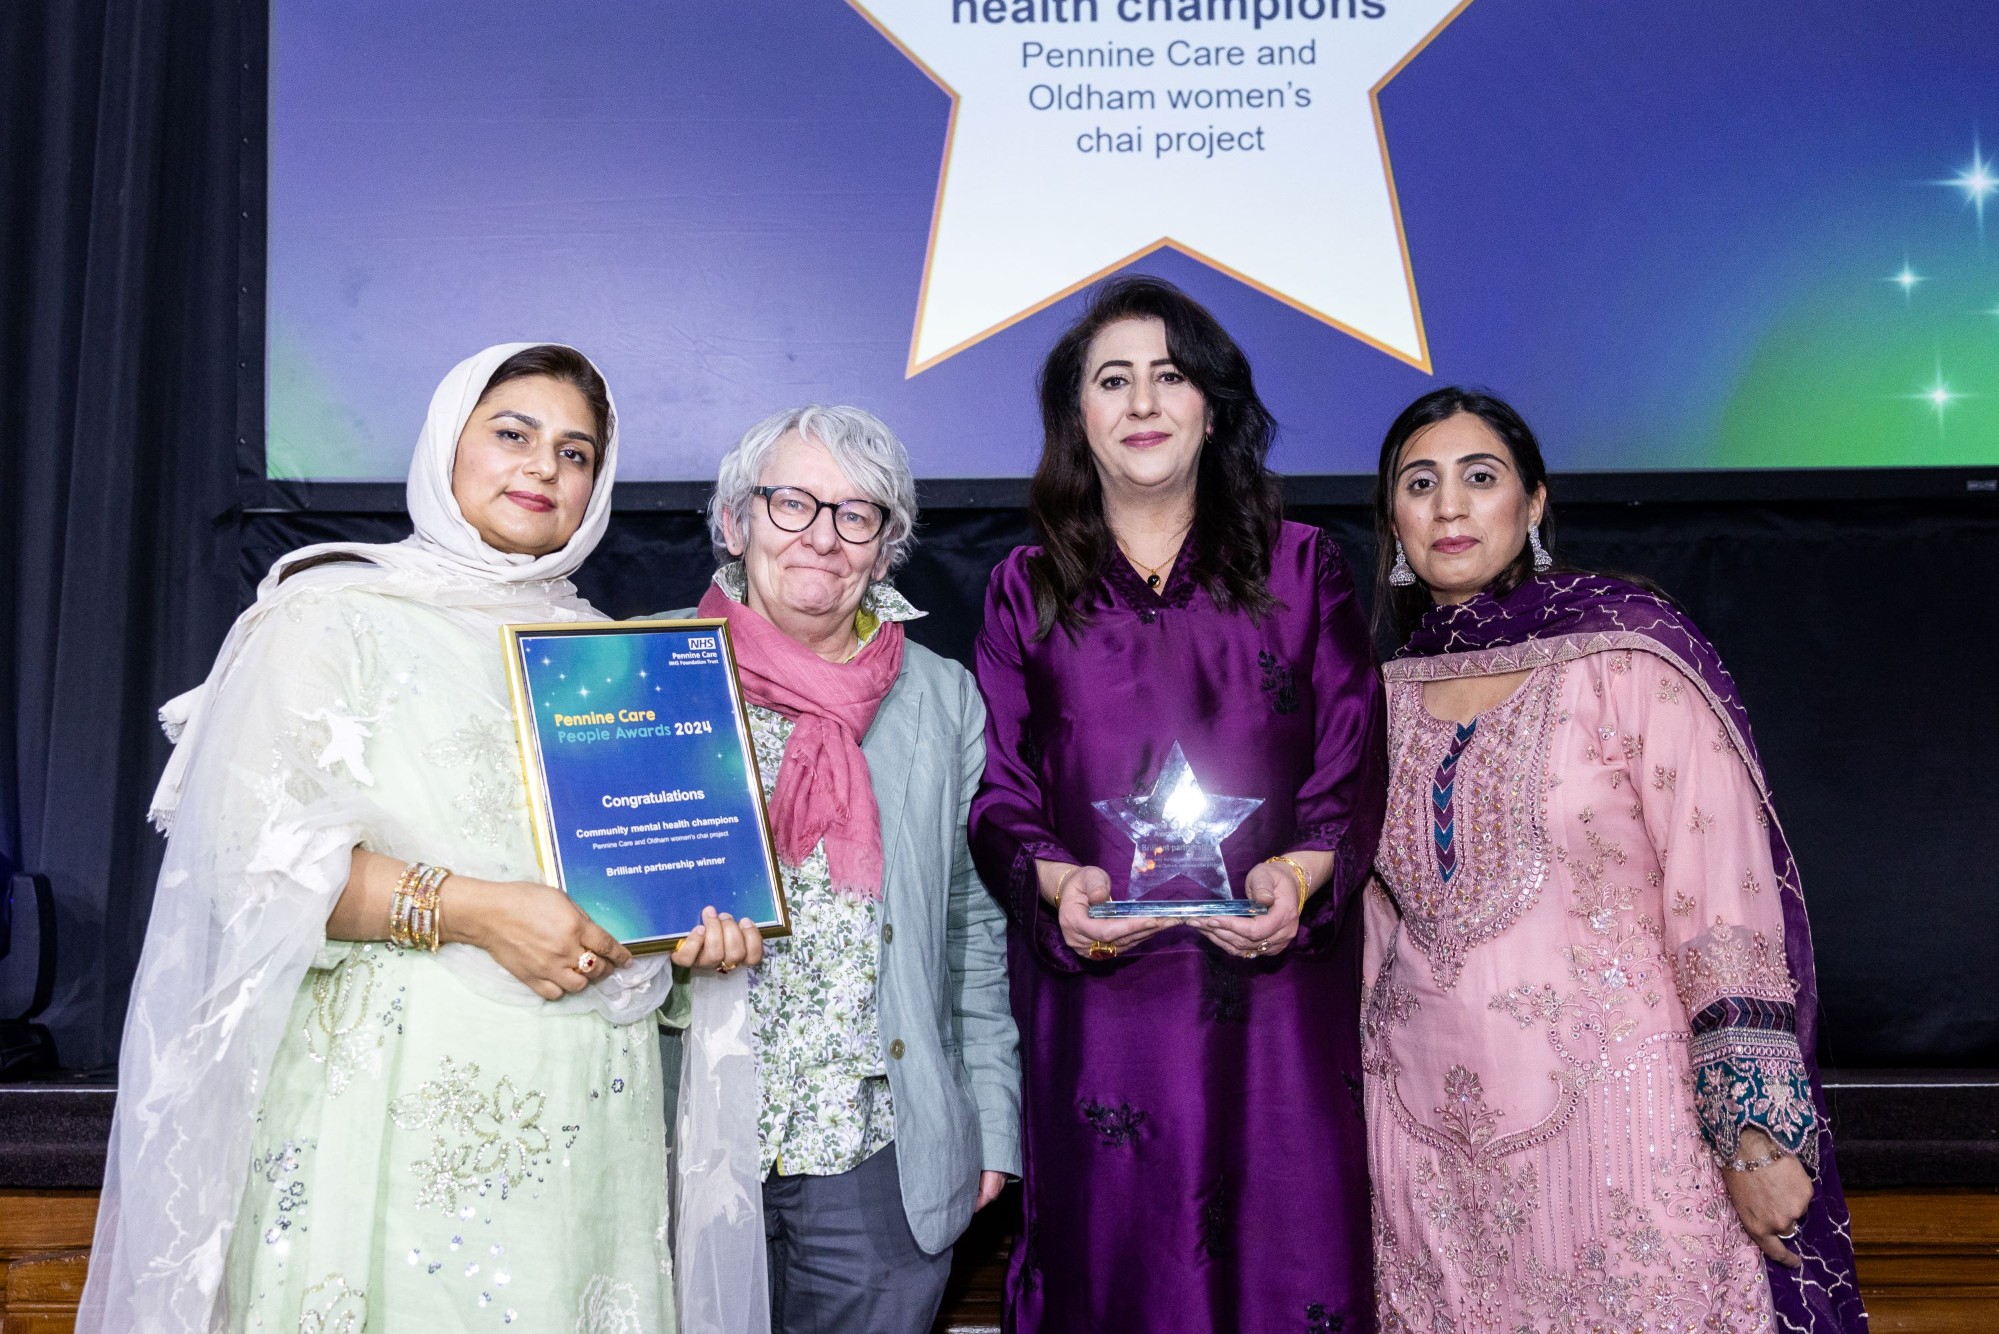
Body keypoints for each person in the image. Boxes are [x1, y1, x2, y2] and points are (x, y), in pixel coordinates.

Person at [78, 343, 758, 1334]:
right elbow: (247, 866)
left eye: (575, 454)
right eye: (512, 433)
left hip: (586, 1134)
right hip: (389, 1127)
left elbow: (637, 901)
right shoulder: (333, 613)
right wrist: (477, 911)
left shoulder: (613, 657)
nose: (542, 467)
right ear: (447, 441)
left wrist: (696, 940)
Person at [1362, 387, 1867, 1333]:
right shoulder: (1370, 698)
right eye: (1418, 483)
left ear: (1535, 503)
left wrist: (1754, 1137)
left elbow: (1723, 907)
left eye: (1481, 477)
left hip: (1629, 1137)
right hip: (1421, 1154)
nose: (1450, 506)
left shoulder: (1630, 660)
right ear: (1392, 518)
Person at [967, 276, 1389, 1332]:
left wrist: (1299, 873)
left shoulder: (1301, 568)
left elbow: (1348, 755)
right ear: (1078, 415)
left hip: (1276, 1000)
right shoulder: (1026, 586)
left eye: (1171, 375)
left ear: (1212, 405)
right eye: (1114, 379)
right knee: (1112, 1264)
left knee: (1284, 1259)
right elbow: (1000, 788)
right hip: (1101, 1004)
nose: (1143, 401)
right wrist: (1055, 879)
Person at [661, 404, 1020, 1334]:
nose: (822, 536)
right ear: (736, 522)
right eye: (792, 504)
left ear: (886, 545)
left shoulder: (943, 696)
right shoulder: (641, 668)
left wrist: (991, 1122)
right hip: (681, 1131)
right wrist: (657, 947)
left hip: (876, 1150)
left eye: (856, 514)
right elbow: (579, 905)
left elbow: (969, 931)